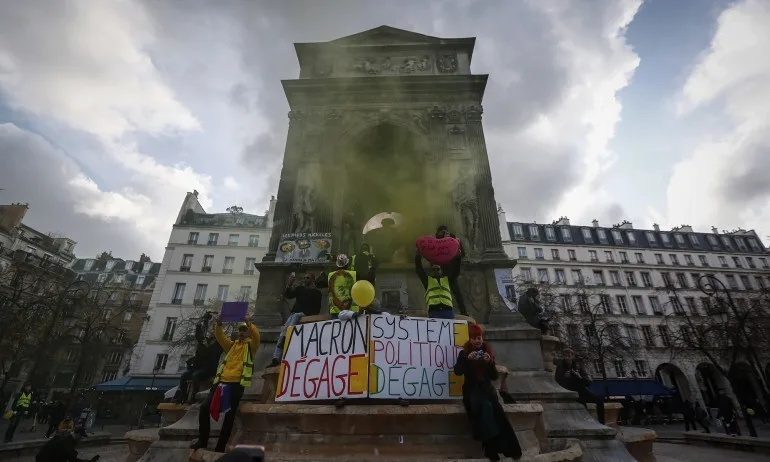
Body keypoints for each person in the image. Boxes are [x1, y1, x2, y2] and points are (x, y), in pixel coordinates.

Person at [191, 314, 260, 453]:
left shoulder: (251, 347)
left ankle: (220, 446)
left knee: (229, 417)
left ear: (248, 333)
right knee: (204, 408)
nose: (241, 332)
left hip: (236, 385)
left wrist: (249, 323)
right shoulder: (231, 345)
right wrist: (219, 323)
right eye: (240, 330)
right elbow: (220, 336)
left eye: (244, 330)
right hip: (220, 383)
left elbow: (257, 336)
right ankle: (202, 440)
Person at [454, 323, 522, 461]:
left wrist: (490, 363)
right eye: (473, 338)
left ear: (482, 338)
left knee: (498, 414)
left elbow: (494, 377)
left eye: (478, 338)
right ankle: (490, 449)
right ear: (469, 339)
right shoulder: (464, 353)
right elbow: (458, 371)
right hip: (472, 391)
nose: (476, 341)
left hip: (487, 390)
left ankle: (511, 449)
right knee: (486, 409)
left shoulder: (488, 351)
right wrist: (468, 360)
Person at [270, 271, 326, 367]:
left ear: (313, 280)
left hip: (304, 315)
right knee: (282, 333)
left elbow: (317, 309)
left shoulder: (317, 293)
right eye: (304, 278)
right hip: (293, 315)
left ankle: (287, 335)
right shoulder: (300, 289)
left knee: (292, 321)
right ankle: (276, 358)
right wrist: (289, 284)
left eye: (308, 278)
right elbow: (289, 295)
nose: (305, 280)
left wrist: (308, 316)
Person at [175, 312, 223, 404]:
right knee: (184, 375)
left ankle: (194, 396)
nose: (212, 332)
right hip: (199, 367)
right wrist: (201, 322)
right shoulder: (205, 341)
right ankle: (183, 395)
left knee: (195, 376)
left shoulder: (219, 343)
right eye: (212, 330)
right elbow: (198, 334)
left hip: (209, 369)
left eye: (214, 330)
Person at [555, 349, 605, 424]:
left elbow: (588, 383)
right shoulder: (560, 367)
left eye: (569, 356)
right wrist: (564, 377)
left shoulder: (578, 366)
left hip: (581, 391)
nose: (567, 358)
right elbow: (557, 382)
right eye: (565, 356)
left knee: (600, 400)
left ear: (572, 357)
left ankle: (602, 423)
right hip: (568, 392)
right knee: (582, 407)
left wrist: (580, 377)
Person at [414, 248, 458, 320]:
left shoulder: (447, 279)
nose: (436, 271)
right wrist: (417, 256)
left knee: (450, 330)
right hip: (434, 311)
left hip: (447, 310)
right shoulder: (428, 280)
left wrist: (457, 256)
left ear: (441, 270)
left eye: (438, 269)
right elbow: (419, 270)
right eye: (434, 269)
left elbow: (456, 270)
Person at [435, 225, 468, 316]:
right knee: (441, 294)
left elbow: (462, 254)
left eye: (445, 232)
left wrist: (454, 241)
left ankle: (463, 312)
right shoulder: (436, 241)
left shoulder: (454, 239)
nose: (444, 234)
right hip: (442, 271)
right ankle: (442, 312)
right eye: (442, 232)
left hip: (452, 271)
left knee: (456, 293)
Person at [35, 426, 99, 462]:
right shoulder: (68, 445)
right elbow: (73, 461)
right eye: (81, 437)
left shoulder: (65, 438)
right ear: (78, 435)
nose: (81, 439)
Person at [327, 254, 358, 319]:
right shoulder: (354, 274)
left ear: (337, 264)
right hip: (351, 312)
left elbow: (330, 292)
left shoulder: (330, 275)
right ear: (347, 264)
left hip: (335, 312)